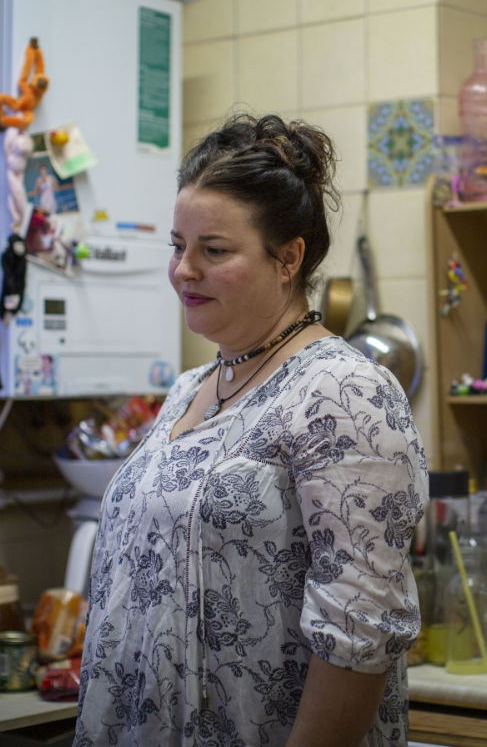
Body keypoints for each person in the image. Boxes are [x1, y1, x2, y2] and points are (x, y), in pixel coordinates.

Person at [74, 114, 428, 747]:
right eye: (178, 247)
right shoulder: (187, 389)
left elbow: (361, 629)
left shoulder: (344, 392)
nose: (184, 270)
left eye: (214, 250)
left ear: (288, 257)